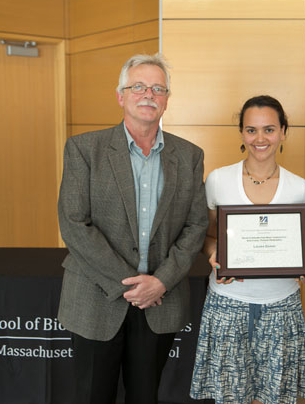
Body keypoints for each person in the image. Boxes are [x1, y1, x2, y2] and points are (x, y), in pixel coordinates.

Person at [57, 53, 209, 404]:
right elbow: (74, 224)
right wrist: (129, 285)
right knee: (93, 396)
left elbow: (195, 225)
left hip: (159, 299)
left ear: (167, 99)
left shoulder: (189, 156)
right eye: (138, 86)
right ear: (120, 96)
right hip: (95, 297)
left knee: (145, 396)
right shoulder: (84, 149)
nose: (148, 94)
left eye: (158, 88)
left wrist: (160, 282)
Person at [190, 95, 305, 404]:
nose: (260, 139)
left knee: (274, 398)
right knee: (231, 398)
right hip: (228, 304)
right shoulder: (218, 180)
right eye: (251, 130)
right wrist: (214, 252)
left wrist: (303, 263)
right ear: (242, 133)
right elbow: (206, 236)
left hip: (281, 305)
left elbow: (302, 247)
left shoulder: (299, 187)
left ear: (283, 132)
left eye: (269, 129)